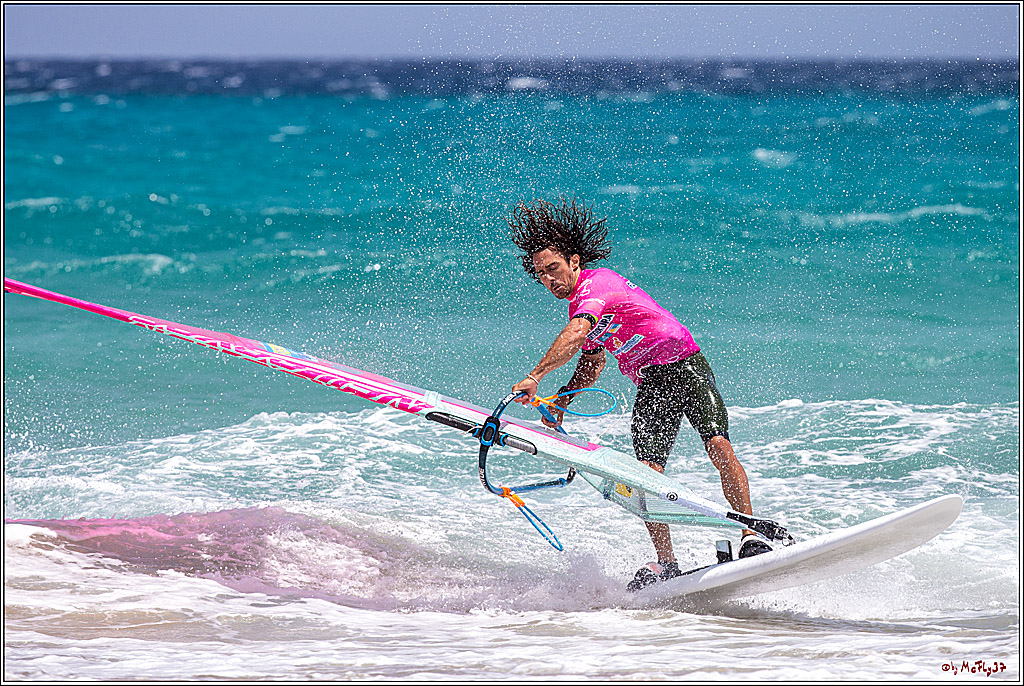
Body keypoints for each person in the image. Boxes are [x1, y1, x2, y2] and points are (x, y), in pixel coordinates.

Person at [507, 198, 771, 591]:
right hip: (651, 383)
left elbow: (578, 334)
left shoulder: (597, 287)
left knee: (718, 446)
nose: (549, 280)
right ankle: (667, 563)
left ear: (574, 262)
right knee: (646, 476)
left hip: (686, 366)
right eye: (541, 275)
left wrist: (535, 376)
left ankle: (751, 534)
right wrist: (563, 398)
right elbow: (593, 360)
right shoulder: (580, 308)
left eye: (554, 269)